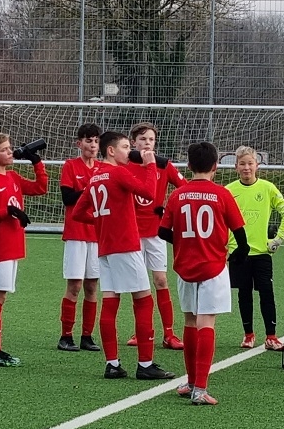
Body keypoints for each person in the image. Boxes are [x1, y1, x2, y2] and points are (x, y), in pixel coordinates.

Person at [72, 131, 176, 381]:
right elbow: (149, 193)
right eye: (126, 147)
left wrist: (102, 222)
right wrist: (150, 165)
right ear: (111, 150)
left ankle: (112, 364)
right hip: (125, 245)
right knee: (143, 301)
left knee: (110, 302)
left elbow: (78, 213)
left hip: (105, 247)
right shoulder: (118, 172)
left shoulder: (95, 176)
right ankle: (145, 364)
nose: (130, 152)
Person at [158, 142, 249, 405]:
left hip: (185, 266)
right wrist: (236, 254)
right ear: (215, 166)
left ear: (189, 166)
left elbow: (163, 231)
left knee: (189, 320)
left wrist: (185, 243)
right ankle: (200, 389)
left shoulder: (178, 195)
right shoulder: (222, 194)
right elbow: (241, 236)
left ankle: (190, 382)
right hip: (213, 266)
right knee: (206, 323)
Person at [0, 132, 48, 367]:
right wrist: (7, 211)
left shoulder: (12, 177)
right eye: (4, 150)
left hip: (13, 244)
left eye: (10, 148)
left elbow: (40, 188)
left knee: (1, 295)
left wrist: (36, 162)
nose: (10, 152)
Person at [225, 146, 284, 350]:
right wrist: (225, 246)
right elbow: (221, 220)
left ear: (257, 165)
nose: (246, 168)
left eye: (250, 163)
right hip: (238, 253)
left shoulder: (267, 188)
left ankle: (271, 336)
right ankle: (248, 335)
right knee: (244, 294)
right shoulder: (228, 191)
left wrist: (278, 239)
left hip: (262, 253)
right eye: (242, 164)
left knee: (267, 293)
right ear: (236, 167)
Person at [128, 122, 189, 350]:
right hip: (132, 233)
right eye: (142, 139)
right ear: (133, 142)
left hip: (155, 234)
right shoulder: (126, 164)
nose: (147, 143)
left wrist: (169, 210)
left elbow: (185, 189)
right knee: (138, 284)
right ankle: (142, 332)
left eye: (151, 139)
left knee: (161, 280)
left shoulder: (164, 165)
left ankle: (169, 334)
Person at [57, 123, 103, 352]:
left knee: (92, 285)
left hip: (97, 233)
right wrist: (89, 190)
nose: (92, 145)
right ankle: (66, 336)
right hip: (76, 232)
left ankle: (87, 335)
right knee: (75, 285)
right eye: (88, 140)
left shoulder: (104, 168)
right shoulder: (70, 166)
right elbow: (67, 197)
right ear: (79, 143)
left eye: (95, 141)